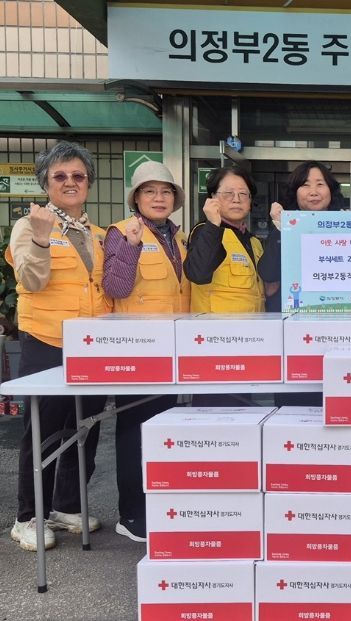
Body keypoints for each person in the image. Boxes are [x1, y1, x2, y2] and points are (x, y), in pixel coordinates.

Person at [6, 141, 111, 551]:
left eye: (78, 176)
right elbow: (31, 281)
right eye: (60, 176)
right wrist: (41, 238)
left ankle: (66, 505)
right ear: (45, 183)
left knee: (84, 427)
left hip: (91, 346)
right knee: (43, 431)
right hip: (47, 342)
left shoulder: (96, 234)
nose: (70, 182)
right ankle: (28, 516)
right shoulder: (28, 227)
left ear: (88, 183)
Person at [102, 160, 189, 542]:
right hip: (136, 352)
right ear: (136, 198)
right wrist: (133, 246)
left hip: (172, 350)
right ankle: (132, 513)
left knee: (161, 431)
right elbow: (115, 288)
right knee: (133, 430)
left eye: (166, 191)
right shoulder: (122, 233)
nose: (159, 197)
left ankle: (158, 505)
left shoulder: (177, 238)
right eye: (150, 191)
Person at [257, 161, 343, 313]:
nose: (313, 192)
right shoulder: (285, 226)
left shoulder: (345, 225)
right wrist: (282, 228)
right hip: (294, 316)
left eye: (320, 184)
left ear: (331, 189)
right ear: (295, 192)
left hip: (337, 311)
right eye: (305, 185)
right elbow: (268, 273)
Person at [184, 165, 264, 313]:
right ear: (212, 198)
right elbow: (198, 274)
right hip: (216, 326)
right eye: (228, 193)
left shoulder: (254, 242)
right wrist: (213, 224)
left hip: (253, 325)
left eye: (243, 194)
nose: (236, 200)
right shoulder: (204, 231)